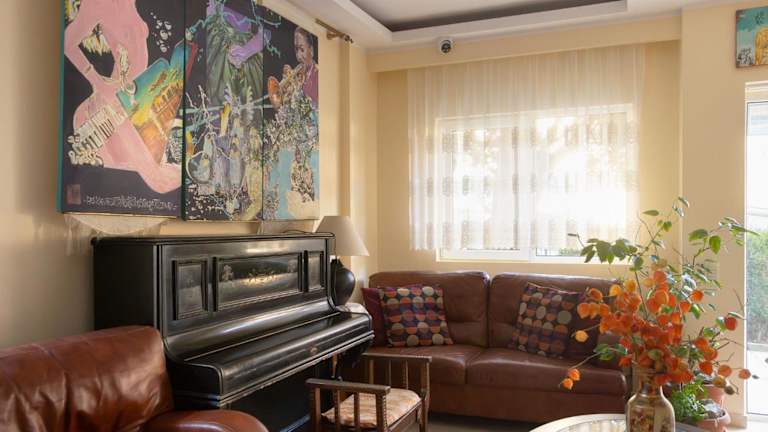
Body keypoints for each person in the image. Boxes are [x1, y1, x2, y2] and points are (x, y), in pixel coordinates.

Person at [64, 0, 180, 193]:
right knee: (160, 180)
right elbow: (67, 42)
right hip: (115, 105)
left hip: (136, 99)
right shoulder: (96, 4)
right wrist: (99, 82)